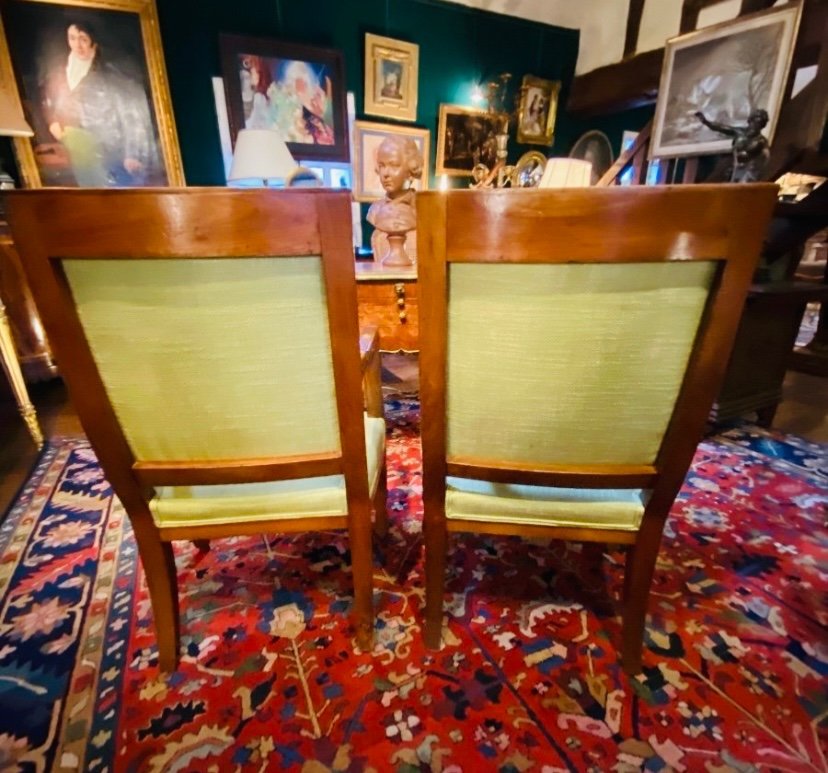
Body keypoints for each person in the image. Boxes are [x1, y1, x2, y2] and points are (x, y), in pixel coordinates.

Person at [44, 20, 156, 186]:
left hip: (110, 153)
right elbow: (53, 104)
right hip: (76, 151)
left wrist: (132, 154)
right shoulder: (60, 72)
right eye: (72, 38)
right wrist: (54, 122)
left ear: (93, 42)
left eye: (83, 39)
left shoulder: (110, 75)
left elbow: (131, 116)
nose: (77, 44)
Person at [366, 136, 423, 265]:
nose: (385, 173)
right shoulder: (375, 211)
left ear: (410, 170)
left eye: (394, 165)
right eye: (382, 166)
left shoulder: (425, 210)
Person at [695, 108, 770, 183]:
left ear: (762, 126)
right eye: (754, 122)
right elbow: (721, 128)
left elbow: (763, 160)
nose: (755, 126)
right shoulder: (740, 132)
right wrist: (706, 122)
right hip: (735, 166)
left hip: (748, 170)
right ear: (750, 121)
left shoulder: (761, 141)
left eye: (759, 124)